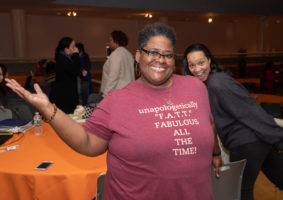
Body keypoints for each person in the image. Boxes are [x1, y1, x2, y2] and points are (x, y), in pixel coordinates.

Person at [6, 23, 221, 200]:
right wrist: (47, 109)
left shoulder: (196, 88)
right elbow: (88, 143)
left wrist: (216, 153)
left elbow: (208, 123)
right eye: (152, 52)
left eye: (167, 54)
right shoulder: (118, 100)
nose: (160, 60)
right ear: (138, 56)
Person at [183, 43, 283, 200]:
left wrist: (280, 138)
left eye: (201, 62)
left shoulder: (217, 83)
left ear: (209, 60)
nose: (197, 69)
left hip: (246, 145)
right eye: (192, 65)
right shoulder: (210, 84)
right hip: (261, 141)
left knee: (241, 191)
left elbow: (251, 111)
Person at [49, 37, 81, 114]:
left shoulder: (65, 58)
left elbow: (72, 71)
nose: (75, 48)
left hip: (65, 94)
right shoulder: (62, 58)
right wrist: (76, 54)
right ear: (66, 49)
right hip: (63, 96)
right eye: (73, 46)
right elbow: (75, 71)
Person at [100, 30, 135, 97]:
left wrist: (105, 95)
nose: (108, 43)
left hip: (117, 93)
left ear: (116, 41)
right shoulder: (128, 54)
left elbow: (113, 78)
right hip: (128, 92)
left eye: (110, 40)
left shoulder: (116, 54)